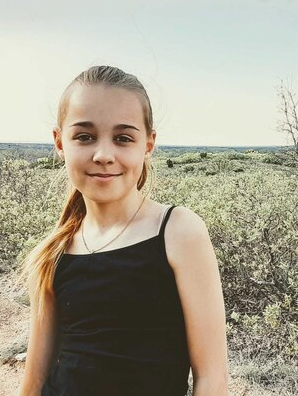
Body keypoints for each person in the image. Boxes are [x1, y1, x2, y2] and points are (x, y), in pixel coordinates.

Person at [18, 66, 228, 396]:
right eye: (84, 137)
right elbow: (34, 380)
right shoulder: (52, 253)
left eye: (123, 138)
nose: (103, 155)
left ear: (148, 144)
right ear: (60, 142)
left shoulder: (177, 232)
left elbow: (212, 379)